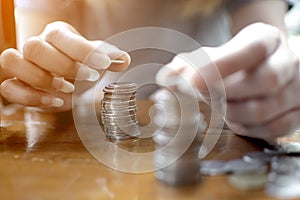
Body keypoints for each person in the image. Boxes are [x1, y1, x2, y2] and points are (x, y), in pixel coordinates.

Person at [0, 0, 299, 142]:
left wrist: (278, 73)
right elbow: (37, 77)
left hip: (217, 138)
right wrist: (48, 80)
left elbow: (269, 40)